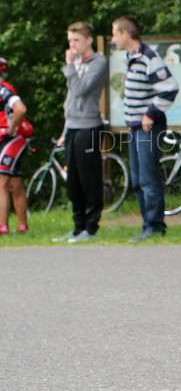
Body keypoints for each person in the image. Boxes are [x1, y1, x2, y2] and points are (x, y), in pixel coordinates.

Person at [113, 15, 178, 241]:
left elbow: (170, 87)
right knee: (137, 180)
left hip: (148, 128)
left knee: (149, 179)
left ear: (126, 34)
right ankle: (146, 225)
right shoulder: (132, 58)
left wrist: (150, 113)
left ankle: (155, 226)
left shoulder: (148, 57)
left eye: (115, 34)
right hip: (134, 128)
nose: (113, 39)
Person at [56, 22, 109, 243]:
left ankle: (91, 226)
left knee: (89, 179)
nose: (72, 45)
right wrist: (64, 130)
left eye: (76, 40)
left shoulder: (99, 62)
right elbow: (70, 100)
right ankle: (77, 227)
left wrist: (69, 67)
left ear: (88, 40)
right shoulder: (75, 62)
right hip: (73, 126)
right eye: (70, 40)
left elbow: (80, 90)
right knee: (73, 181)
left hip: (89, 126)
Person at [0, 56, 33, 236]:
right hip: (9, 140)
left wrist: (11, 127)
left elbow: (21, 109)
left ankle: (2, 227)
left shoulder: (3, 89)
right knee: (14, 184)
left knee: (1, 183)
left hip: (11, 140)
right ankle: (22, 226)